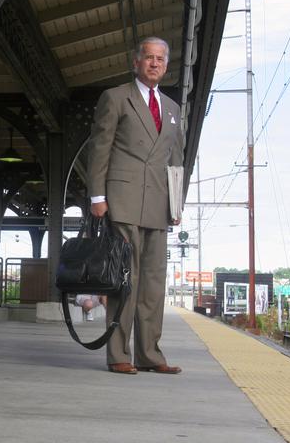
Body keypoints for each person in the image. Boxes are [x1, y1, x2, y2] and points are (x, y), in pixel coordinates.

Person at [87, 36, 184, 375]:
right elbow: (101, 147)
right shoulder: (115, 98)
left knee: (154, 283)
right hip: (123, 201)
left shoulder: (172, 110)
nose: (154, 63)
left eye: (160, 59)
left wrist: (176, 205)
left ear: (166, 65)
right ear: (136, 62)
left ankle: (150, 354)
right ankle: (118, 355)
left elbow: (176, 161)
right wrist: (97, 196)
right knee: (125, 281)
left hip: (159, 205)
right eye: (148, 57)